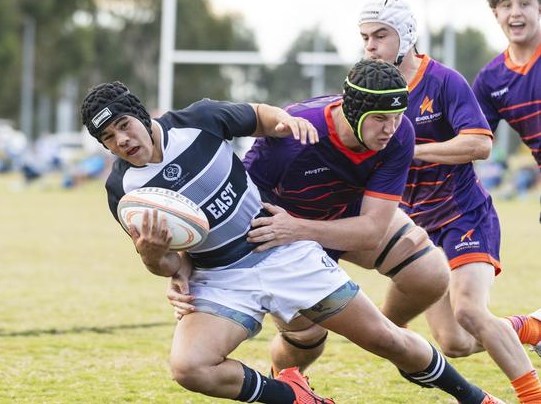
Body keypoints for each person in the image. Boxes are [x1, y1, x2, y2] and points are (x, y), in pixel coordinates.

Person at [82, 76, 504, 404]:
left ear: (140, 115)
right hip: (219, 277)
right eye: (109, 138)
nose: (122, 140)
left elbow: (261, 116)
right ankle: (293, 396)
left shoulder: (199, 120)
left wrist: (287, 121)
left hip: (278, 247)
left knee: (385, 339)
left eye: (124, 125)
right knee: (190, 368)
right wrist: (153, 256)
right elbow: (172, 267)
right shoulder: (124, 193)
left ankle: (474, 396)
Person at [358, 0, 541, 403]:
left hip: (464, 215)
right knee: (456, 342)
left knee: (470, 312)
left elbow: (479, 144)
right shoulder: (367, 89)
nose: (371, 46)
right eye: (365, 37)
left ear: (405, 35)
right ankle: (527, 328)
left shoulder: (443, 81)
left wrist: (412, 149)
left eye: (380, 36)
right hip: (415, 230)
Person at [473, 0, 541, 224]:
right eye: (506, 5)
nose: (515, 12)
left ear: (539, 8)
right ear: (495, 14)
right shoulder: (490, 80)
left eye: (524, 3)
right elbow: (472, 141)